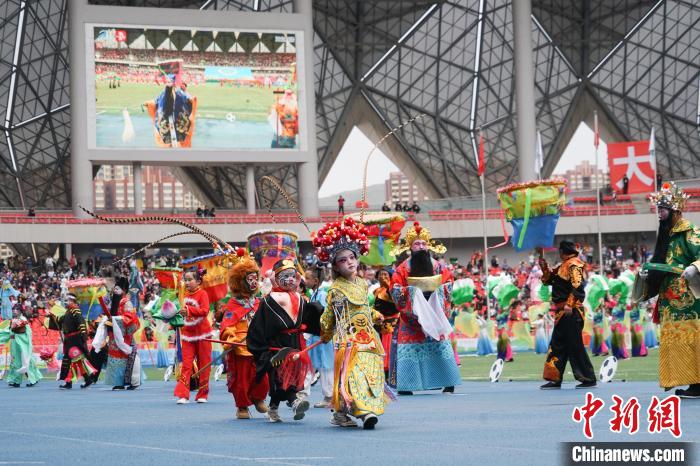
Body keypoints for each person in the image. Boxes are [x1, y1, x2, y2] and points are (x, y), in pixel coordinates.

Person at [313, 217, 385, 429]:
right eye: (343, 260)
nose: (350, 262)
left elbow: (363, 308)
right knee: (353, 375)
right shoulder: (336, 289)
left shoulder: (362, 283)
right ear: (336, 266)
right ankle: (363, 412)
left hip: (368, 337)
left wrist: (375, 315)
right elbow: (330, 317)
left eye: (352, 257)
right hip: (348, 340)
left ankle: (342, 412)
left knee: (369, 372)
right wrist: (326, 333)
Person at [638, 182, 700, 398]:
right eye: (658, 210)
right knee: (678, 344)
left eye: (663, 210)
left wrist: (695, 267)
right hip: (670, 304)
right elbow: (660, 266)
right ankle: (692, 384)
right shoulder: (666, 236)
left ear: (675, 211)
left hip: (690, 302)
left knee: (693, 341)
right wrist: (647, 278)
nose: (659, 214)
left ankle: (698, 385)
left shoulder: (689, 232)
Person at [247, 259, 323, 423]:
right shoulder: (269, 299)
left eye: (292, 276)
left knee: (292, 375)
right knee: (279, 376)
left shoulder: (300, 298)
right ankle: (294, 402)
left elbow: (307, 320)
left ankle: (273, 408)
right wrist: (261, 348)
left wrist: (321, 327)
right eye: (285, 276)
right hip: (277, 345)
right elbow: (259, 326)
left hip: (295, 342)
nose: (290, 279)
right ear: (276, 278)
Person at [390, 222, 461, 394]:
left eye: (424, 243)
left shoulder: (438, 266)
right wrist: (412, 293)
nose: (421, 247)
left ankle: (447, 382)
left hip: (434, 313)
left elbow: (449, 284)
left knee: (440, 346)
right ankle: (407, 386)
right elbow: (395, 290)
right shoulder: (402, 269)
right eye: (417, 244)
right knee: (409, 350)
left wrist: (438, 292)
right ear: (410, 247)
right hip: (411, 319)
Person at [538, 242, 596, 389]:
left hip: (571, 311)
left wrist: (570, 304)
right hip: (561, 313)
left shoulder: (574, 264)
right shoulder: (563, 265)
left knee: (575, 345)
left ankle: (588, 378)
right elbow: (549, 280)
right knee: (557, 344)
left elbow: (578, 287)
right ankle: (554, 378)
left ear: (563, 251)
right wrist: (544, 266)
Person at [219, 251, 269, 419]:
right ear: (240, 281)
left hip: (259, 345)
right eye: (249, 278)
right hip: (241, 347)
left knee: (261, 375)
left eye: (255, 278)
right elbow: (227, 326)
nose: (254, 282)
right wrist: (231, 338)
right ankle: (242, 406)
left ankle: (258, 398)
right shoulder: (233, 304)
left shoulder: (259, 302)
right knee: (242, 378)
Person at [174, 268, 213, 404]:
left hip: (203, 335)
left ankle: (203, 394)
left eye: (190, 279)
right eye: (185, 280)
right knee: (186, 365)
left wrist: (188, 310)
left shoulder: (203, 294)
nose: (187, 282)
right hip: (188, 335)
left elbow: (205, 311)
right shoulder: (182, 295)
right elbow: (179, 312)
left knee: (204, 365)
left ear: (198, 281)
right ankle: (183, 395)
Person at [46, 294, 95, 389]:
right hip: (69, 340)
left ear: (72, 301)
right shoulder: (68, 312)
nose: (66, 302)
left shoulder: (75, 311)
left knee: (70, 360)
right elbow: (60, 322)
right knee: (76, 360)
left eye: (68, 300)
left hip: (75, 340)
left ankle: (70, 382)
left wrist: (83, 336)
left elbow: (81, 323)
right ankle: (87, 379)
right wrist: (52, 316)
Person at [93, 297, 143, 390]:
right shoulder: (114, 310)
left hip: (127, 341)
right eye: (126, 306)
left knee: (131, 361)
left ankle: (133, 382)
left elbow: (131, 324)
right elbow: (106, 322)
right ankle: (118, 383)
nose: (128, 308)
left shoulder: (128, 310)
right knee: (116, 362)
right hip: (114, 342)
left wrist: (114, 320)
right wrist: (107, 320)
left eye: (129, 306)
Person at [303, 267, 334, 409]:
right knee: (310, 365)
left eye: (307, 278)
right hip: (314, 336)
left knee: (326, 367)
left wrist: (325, 332)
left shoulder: (322, 295)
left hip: (323, 337)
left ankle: (329, 396)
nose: (305, 280)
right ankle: (302, 393)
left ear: (315, 281)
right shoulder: (314, 294)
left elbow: (325, 315)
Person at [0, 306, 42, 387]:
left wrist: (14, 329)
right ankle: (16, 381)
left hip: (22, 344)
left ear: (20, 311)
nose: (14, 311)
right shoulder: (14, 320)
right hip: (14, 344)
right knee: (15, 362)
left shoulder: (23, 320)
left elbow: (26, 333)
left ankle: (33, 379)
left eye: (17, 309)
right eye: (13, 309)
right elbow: (7, 331)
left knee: (26, 361)